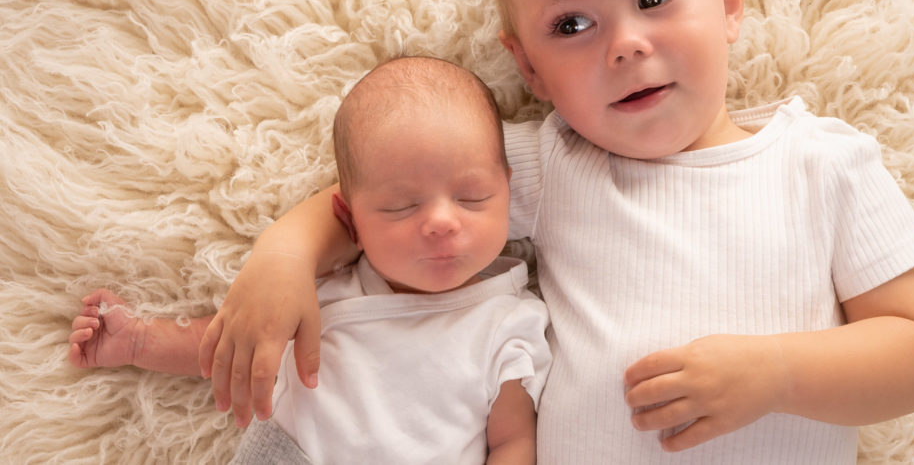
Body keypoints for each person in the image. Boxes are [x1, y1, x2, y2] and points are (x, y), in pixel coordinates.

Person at [198, 0, 914, 463]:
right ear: (529, 68)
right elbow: (390, 192)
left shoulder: (822, 161)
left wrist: (776, 371)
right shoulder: (559, 163)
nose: (624, 44)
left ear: (728, 3)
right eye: (572, 26)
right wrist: (285, 256)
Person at [69, 56, 552, 465]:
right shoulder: (322, 294)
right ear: (351, 221)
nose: (442, 222)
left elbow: (511, 438)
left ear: (508, 188)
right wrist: (138, 340)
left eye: (472, 197)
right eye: (402, 207)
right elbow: (231, 348)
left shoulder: (510, 322)